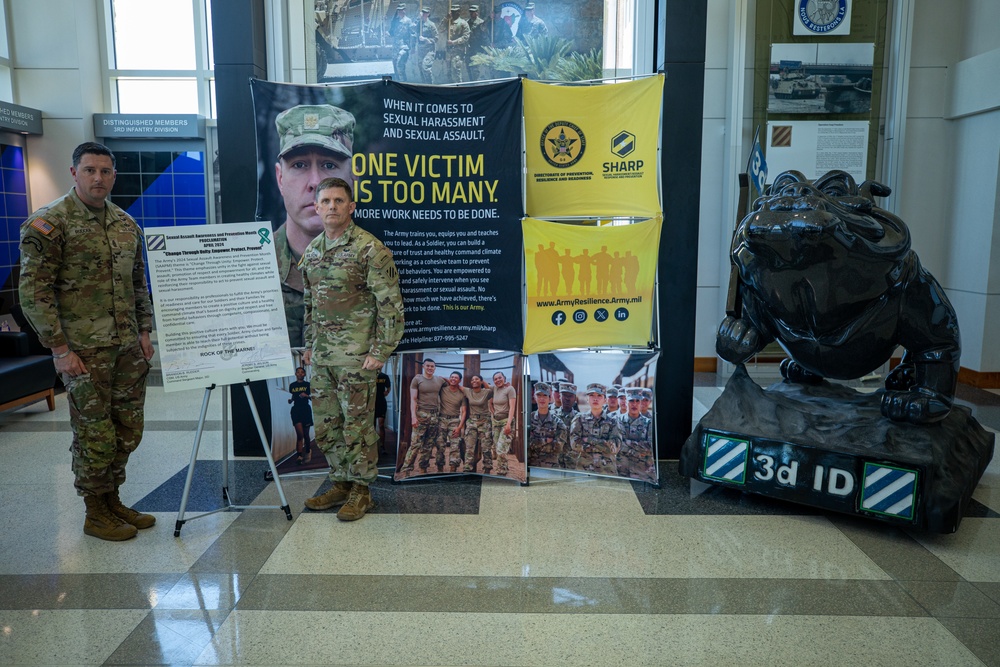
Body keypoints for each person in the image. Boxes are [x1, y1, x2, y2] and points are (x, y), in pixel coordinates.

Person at [18, 142, 155, 541]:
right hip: (83, 351)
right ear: (74, 172)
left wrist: (145, 332)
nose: (99, 178)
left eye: (106, 171)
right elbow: (34, 293)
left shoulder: (126, 224)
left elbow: (137, 284)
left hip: (127, 346)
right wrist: (59, 350)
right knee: (95, 432)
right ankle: (95, 510)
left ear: (114, 175)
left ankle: (113, 499)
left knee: (127, 428)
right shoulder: (49, 224)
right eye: (91, 170)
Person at [301, 177, 404, 521]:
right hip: (323, 358)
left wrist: (381, 350)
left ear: (351, 207)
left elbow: (390, 304)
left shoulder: (368, 248)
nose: (331, 206)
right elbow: (309, 304)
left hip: (358, 358)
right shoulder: (312, 251)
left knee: (356, 427)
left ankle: (362, 491)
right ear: (316, 207)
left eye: (338, 201)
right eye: (325, 201)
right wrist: (308, 346)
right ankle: (341, 482)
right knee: (327, 426)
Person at [273, 104, 356, 348]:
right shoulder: (255, 268)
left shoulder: (371, 261)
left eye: (329, 165)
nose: (316, 183)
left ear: (351, 177)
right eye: (299, 165)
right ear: (280, 179)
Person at [400, 357, 446, 474]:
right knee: (415, 444)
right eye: (428, 366)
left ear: (435, 368)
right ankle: (406, 470)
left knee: (428, 445)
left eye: (432, 366)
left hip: (434, 416)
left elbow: (451, 383)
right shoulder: (417, 379)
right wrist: (413, 417)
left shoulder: (439, 380)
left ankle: (423, 468)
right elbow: (413, 400)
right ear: (423, 367)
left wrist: (446, 379)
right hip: (421, 415)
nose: (430, 368)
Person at [568, 383, 622, 476]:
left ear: (605, 400)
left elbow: (614, 447)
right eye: (592, 395)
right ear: (587, 399)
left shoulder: (613, 422)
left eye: (599, 396)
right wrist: (604, 444)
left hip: (607, 471)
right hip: (584, 470)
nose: (595, 399)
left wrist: (588, 440)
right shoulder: (579, 419)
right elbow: (574, 444)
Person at [527, 382, 569, 469]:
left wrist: (536, 443)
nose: (542, 398)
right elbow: (527, 444)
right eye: (539, 395)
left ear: (550, 399)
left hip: (551, 468)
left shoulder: (558, 423)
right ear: (534, 398)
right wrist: (547, 440)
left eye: (545, 395)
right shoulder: (528, 420)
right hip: (532, 467)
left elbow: (558, 448)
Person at [617, 387, 655, 482]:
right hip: (622, 470)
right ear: (626, 402)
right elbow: (616, 445)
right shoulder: (617, 420)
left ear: (641, 403)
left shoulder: (649, 423)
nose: (634, 404)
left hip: (643, 470)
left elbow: (650, 447)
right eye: (631, 401)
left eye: (637, 401)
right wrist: (640, 446)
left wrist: (627, 443)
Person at [461, 373, 493, 473]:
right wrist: (444, 379)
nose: (474, 381)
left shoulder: (486, 392)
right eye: (472, 380)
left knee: (486, 448)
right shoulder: (468, 391)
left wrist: (483, 382)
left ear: (481, 381)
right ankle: (467, 469)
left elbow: (492, 390)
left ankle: (487, 469)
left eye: (477, 379)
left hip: (485, 422)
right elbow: (456, 384)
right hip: (472, 421)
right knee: (469, 447)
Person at [437, 371, 468, 472]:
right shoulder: (442, 390)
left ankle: (453, 468)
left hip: (454, 421)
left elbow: (464, 412)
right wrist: (446, 380)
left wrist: (459, 427)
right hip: (441, 419)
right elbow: (438, 379)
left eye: (456, 378)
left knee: (455, 445)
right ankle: (440, 468)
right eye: (452, 377)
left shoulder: (462, 394)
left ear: (460, 380)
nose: (453, 379)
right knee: (440, 445)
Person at [488, 370, 517, 476]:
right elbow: (485, 387)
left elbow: (512, 408)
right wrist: (492, 411)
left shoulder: (510, 389)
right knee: (498, 448)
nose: (498, 380)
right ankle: (504, 467)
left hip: (506, 421)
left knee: (501, 448)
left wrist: (509, 424)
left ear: (504, 378)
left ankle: (501, 472)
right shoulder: (494, 389)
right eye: (495, 379)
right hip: (496, 422)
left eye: (500, 378)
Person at [288, 366, 314, 464]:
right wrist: (291, 400)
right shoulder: (292, 385)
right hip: (296, 410)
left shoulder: (308, 385)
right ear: (295, 374)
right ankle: (299, 455)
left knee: (306, 435)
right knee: (300, 434)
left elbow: (313, 397)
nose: (300, 374)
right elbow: (293, 397)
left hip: (305, 410)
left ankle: (308, 450)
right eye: (298, 372)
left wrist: (306, 395)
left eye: (302, 372)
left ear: (304, 374)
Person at [388, 3, 416, 82]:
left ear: (405, 11)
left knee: (400, 65)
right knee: (395, 66)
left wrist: (413, 47)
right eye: (399, 10)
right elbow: (393, 33)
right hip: (395, 47)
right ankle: (397, 83)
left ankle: (404, 83)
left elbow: (413, 34)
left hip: (404, 47)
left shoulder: (408, 21)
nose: (400, 12)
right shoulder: (395, 21)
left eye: (401, 10)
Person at [445, 4, 471, 83]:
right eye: (452, 11)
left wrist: (453, 42)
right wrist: (446, 18)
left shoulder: (463, 23)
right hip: (448, 51)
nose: (453, 13)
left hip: (458, 51)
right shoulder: (449, 22)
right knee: (448, 73)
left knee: (456, 71)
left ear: (459, 12)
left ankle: (458, 89)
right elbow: (440, 29)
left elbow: (466, 37)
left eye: (455, 12)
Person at [416, 6, 439, 84]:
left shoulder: (431, 25)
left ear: (428, 14)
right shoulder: (419, 24)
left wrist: (426, 39)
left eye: (425, 13)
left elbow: (436, 38)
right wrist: (417, 18)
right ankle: (424, 85)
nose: (423, 14)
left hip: (429, 50)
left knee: (425, 68)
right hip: (421, 49)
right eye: (423, 12)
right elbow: (412, 28)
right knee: (420, 68)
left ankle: (430, 84)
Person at [466, 4, 488, 80]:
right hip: (469, 49)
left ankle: (476, 85)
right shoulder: (467, 22)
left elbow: (485, 37)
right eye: (470, 12)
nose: (471, 13)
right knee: (468, 67)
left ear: (477, 12)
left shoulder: (481, 23)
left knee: (476, 70)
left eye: (473, 12)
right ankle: (471, 83)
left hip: (478, 49)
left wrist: (485, 50)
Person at [375, 369, 391, 454]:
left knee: (381, 425)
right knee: (371, 426)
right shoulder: (370, 375)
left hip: (381, 402)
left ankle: (382, 446)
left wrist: (387, 392)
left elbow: (389, 387)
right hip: (371, 403)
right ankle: (373, 446)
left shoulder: (384, 376)